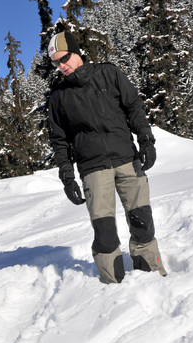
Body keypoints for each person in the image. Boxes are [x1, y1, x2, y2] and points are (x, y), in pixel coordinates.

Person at [47, 30, 167, 284]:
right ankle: (112, 286)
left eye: (65, 58)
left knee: (142, 220)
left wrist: (145, 139)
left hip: (127, 158)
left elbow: (133, 105)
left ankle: (153, 278)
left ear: (76, 51)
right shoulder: (58, 97)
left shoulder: (108, 73)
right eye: (56, 62)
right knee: (104, 232)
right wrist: (67, 177)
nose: (62, 66)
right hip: (93, 168)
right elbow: (59, 142)